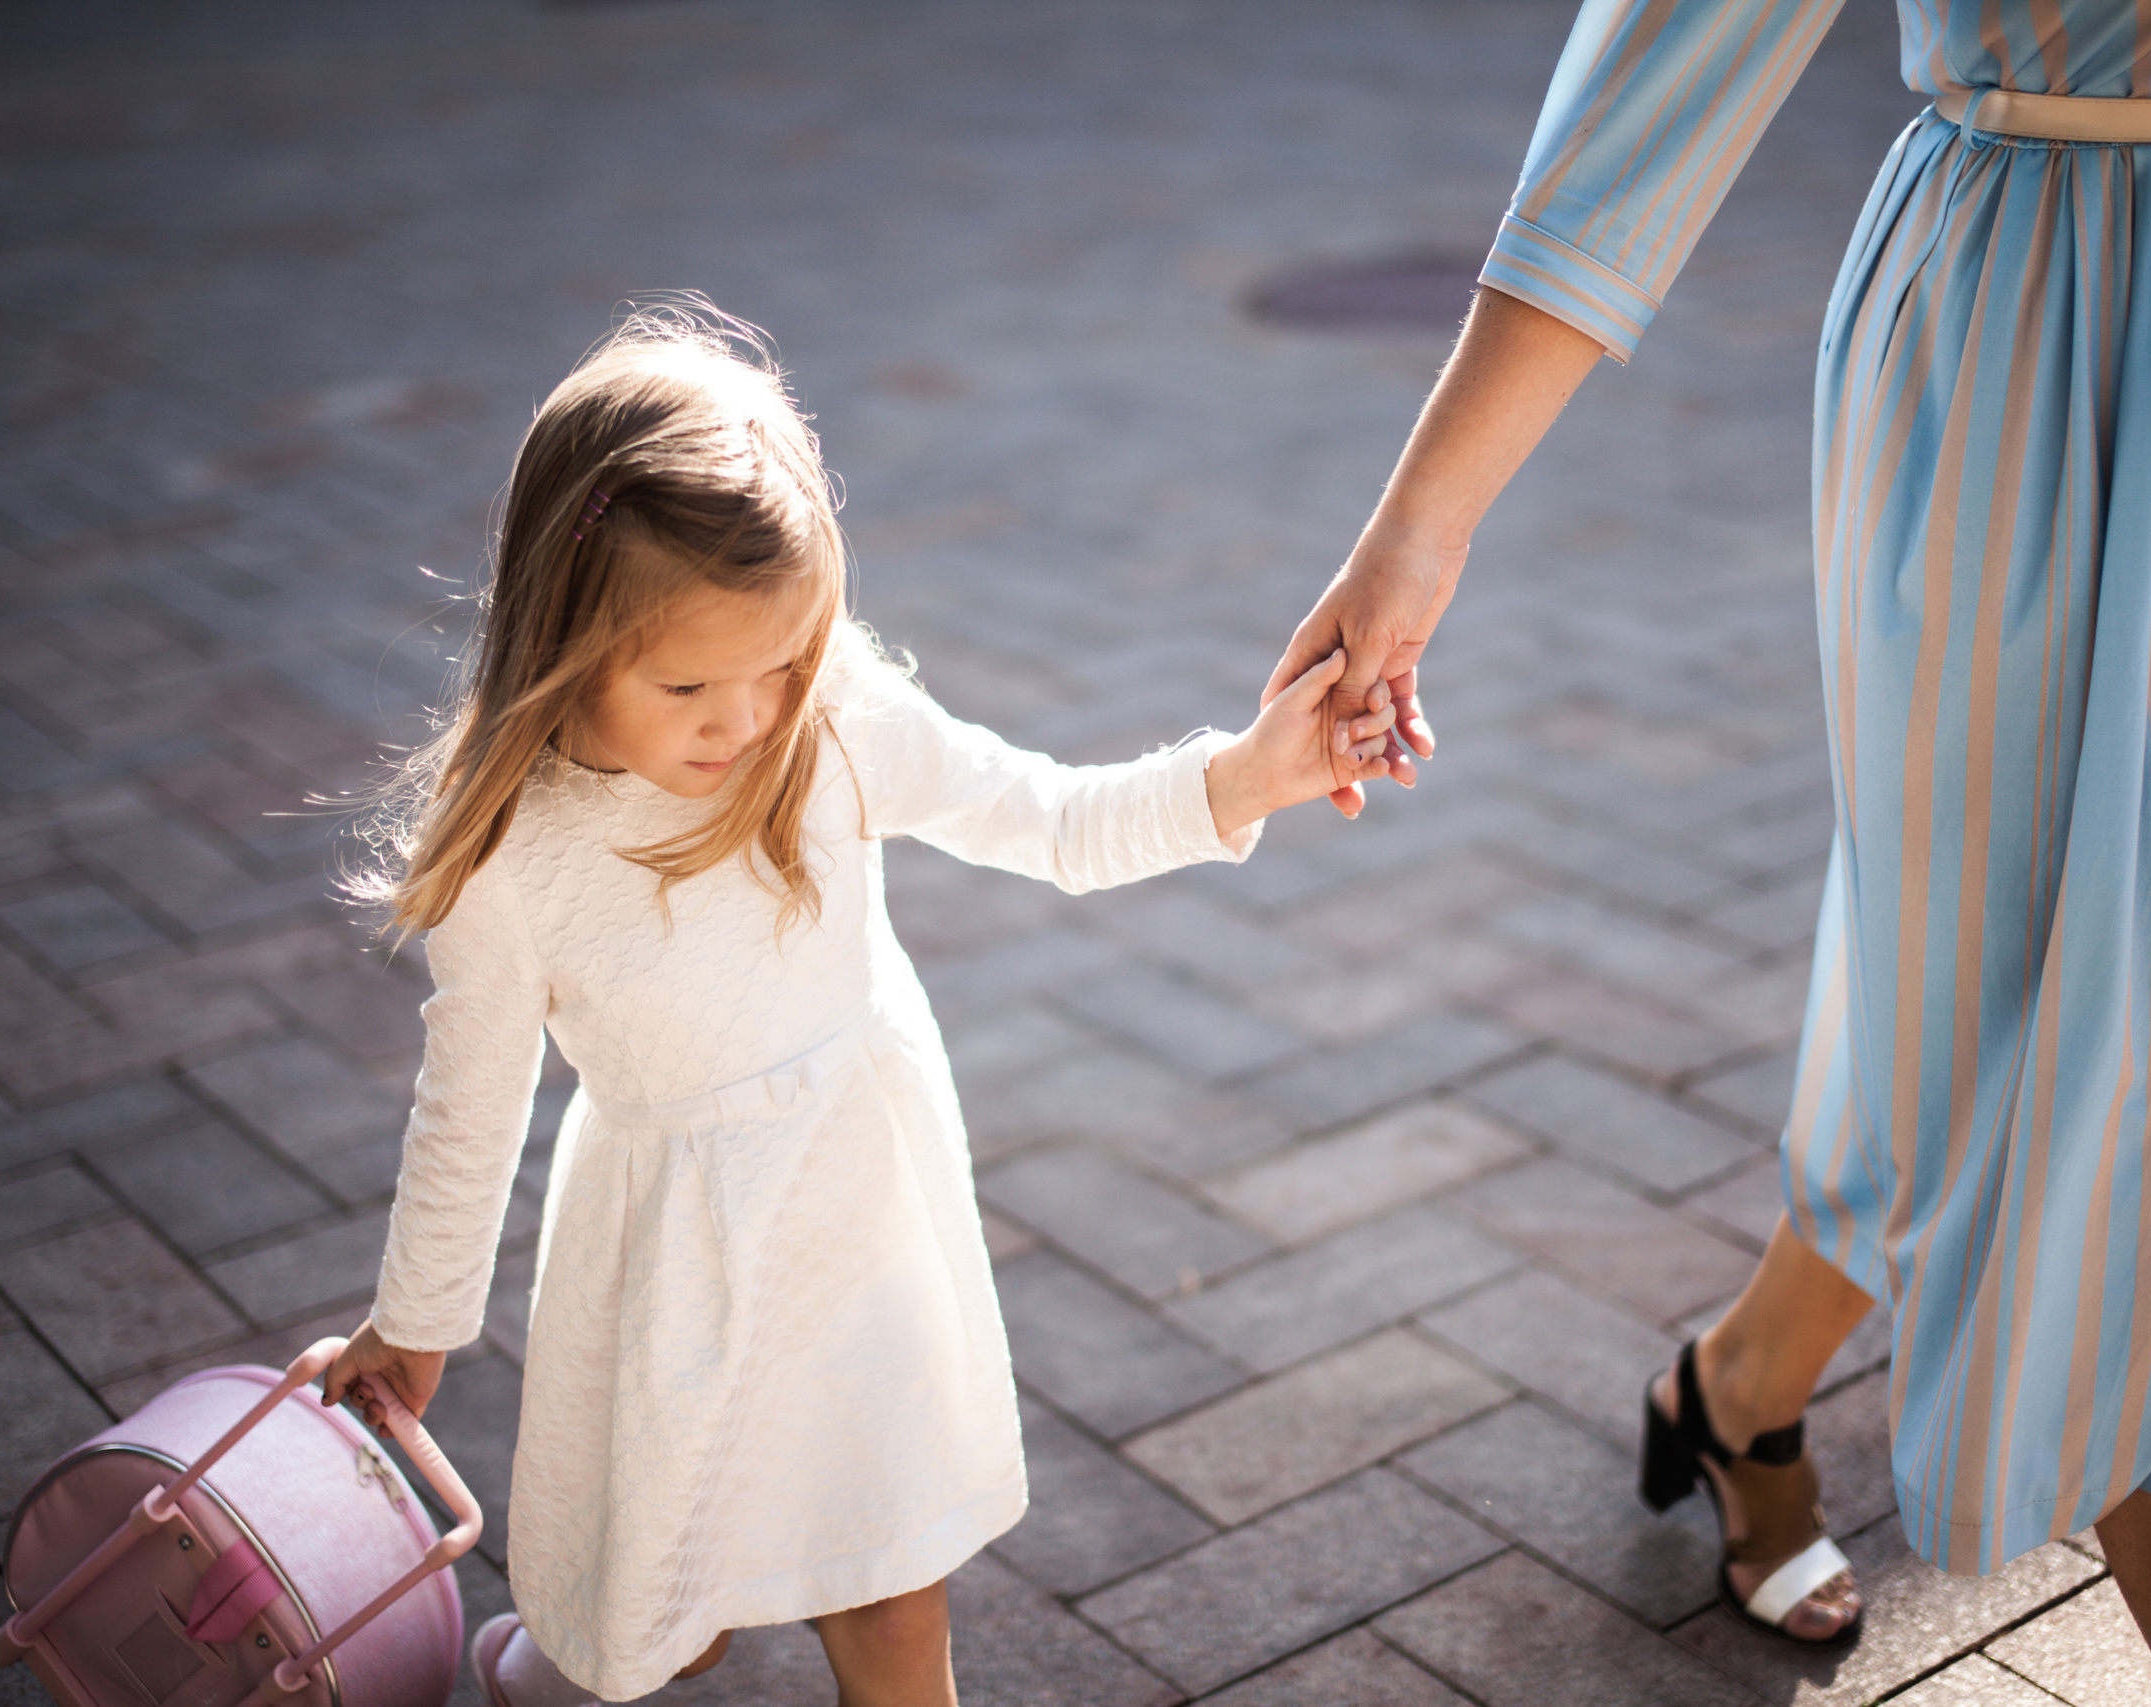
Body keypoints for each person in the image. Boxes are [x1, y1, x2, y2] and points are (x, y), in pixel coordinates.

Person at [1280, 3, 2151, 1701]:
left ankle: (1738, 1384)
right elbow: (1662, 64)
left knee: (2022, 1007)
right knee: (2134, 1060)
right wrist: (1420, 528)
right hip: (2041, 329)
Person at [320, 303, 1398, 1707]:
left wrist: (1251, 774)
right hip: (678, 1258)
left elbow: (1049, 817)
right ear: (565, 633)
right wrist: (417, 1322)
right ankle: (559, 1666)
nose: (746, 718)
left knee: (890, 1590)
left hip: (859, 1213)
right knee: (672, 1606)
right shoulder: (515, 853)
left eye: (778, 662)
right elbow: (472, 1097)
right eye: (690, 682)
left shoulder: (828, 719)